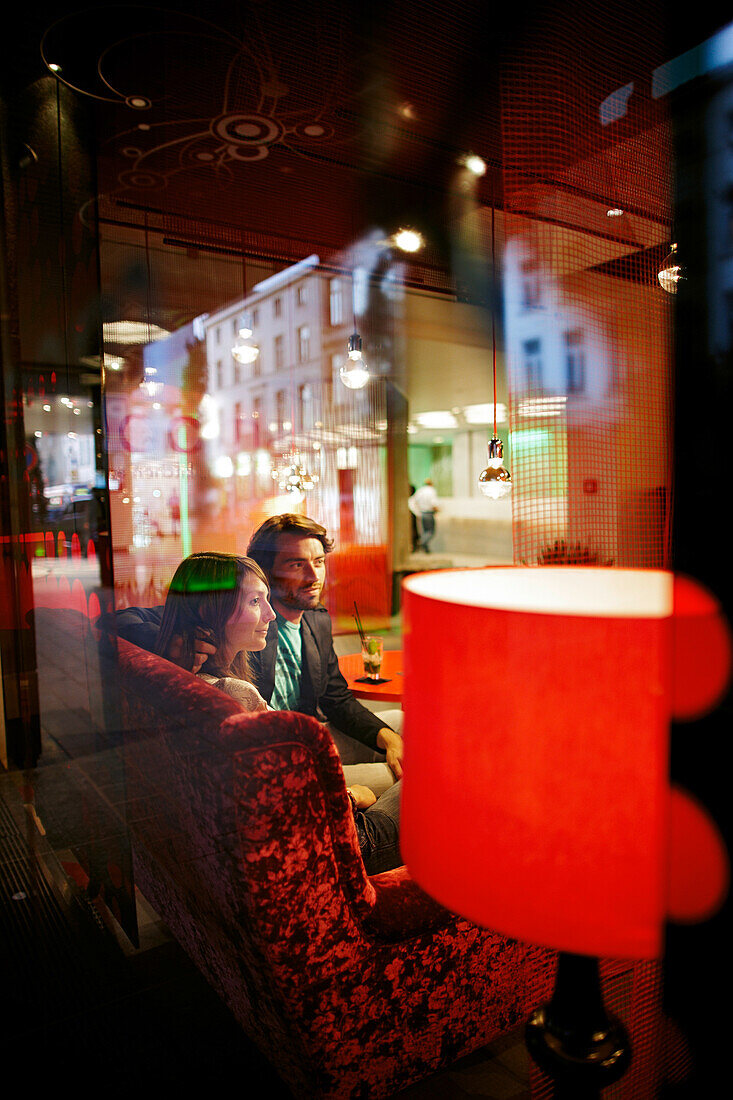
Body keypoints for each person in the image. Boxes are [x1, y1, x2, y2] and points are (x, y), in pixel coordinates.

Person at [112, 514, 404, 796]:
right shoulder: (239, 620)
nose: (314, 575)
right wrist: (175, 642)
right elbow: (123, 620)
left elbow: (336, 699)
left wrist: (385, 736)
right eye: (297, 564)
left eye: (318, 562)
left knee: (401, 724)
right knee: (412, 773)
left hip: (305, 737)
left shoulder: (317, 619)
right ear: (268, 570)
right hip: (278, 757)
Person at [152, 550, 402, 875]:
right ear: (209, 610)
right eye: (255, 602)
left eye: (319, 562)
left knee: (400, 730)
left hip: (305, 785)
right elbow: (282, 800)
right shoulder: (233, 693)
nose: (270, 614)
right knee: (429, 776)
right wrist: (351, 798)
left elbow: (334, 701)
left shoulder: (188, 674)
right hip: (339, 842)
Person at [409, 478, 439, 552]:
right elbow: (433, 503)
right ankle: (422, 542)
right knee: (430, 531)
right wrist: (437, 509)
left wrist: (418, 510)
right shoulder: (431, 491)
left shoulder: (420, 491)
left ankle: (423, 545)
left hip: (422, 513)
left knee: (425, 531)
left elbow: (413, 501)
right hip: (429, 513)